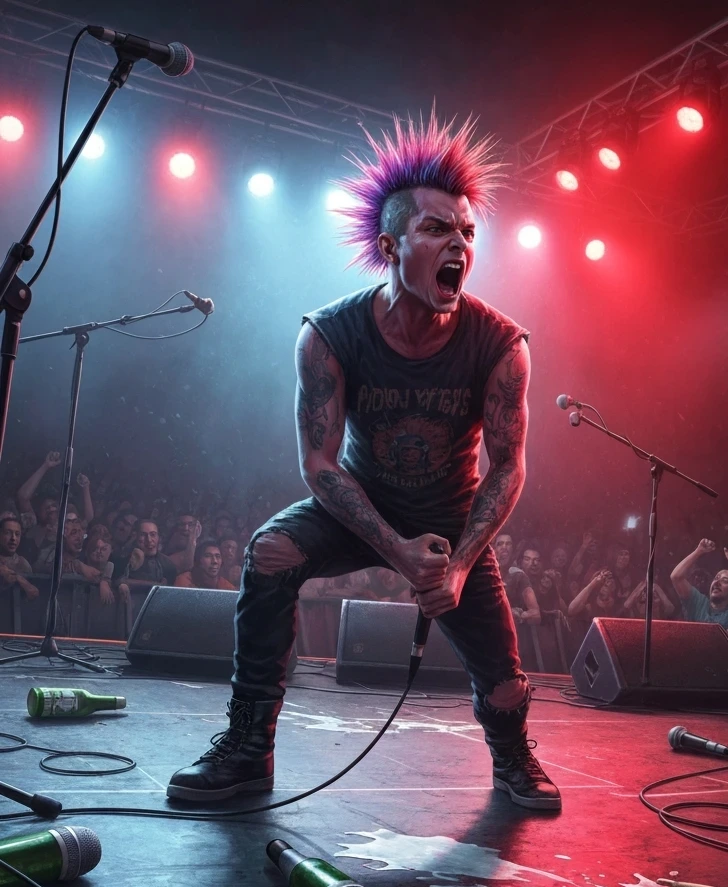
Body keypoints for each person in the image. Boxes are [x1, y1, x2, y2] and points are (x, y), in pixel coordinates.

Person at [167, 114, 559, 809]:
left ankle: (512, 755)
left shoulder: (501, 345)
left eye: (467, 232)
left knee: (505, 687)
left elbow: (508, 467)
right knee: (270, 554)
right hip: (358, 503)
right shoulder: (329, 333)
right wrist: (396, 551)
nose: (459, 244)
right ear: (390, 245)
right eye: (438, 229)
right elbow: (319, 463)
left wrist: (461, 564)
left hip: (450, 519)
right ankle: (249, 748)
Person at [669, 537, 728, 629]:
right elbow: (676, 577)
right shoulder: (698, 602)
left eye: (725, 581)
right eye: (716, 578)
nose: (717, 582)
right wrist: (698, 551)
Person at [495, 532, 540, 627]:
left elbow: (536, 613)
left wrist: (519, 614)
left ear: (512, 549)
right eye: (500, 543)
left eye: (508, 544)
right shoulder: (484, 573)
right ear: (493, 549)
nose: (504, 547)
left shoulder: (518, 575)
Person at [0, 512, 39, 602]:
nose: (13, 538)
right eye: (7, 533)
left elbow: (34, 594)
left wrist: (17, 578)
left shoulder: (22, 563)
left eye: (17, 534)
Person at [126, 520, 178, 585]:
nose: (149, 540)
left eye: (153, 535)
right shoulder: (124, 559)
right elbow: (118, 581)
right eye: (143, 535)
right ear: (135, 537)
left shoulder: (167, 564)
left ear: (159, 537)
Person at [82, 530, 116, 605]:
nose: (99, 552)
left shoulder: (115, 568)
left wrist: (105, 581)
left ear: (111, 550)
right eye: (95, 548)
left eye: (104, 549)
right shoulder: (80, 564)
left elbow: (121, 578)